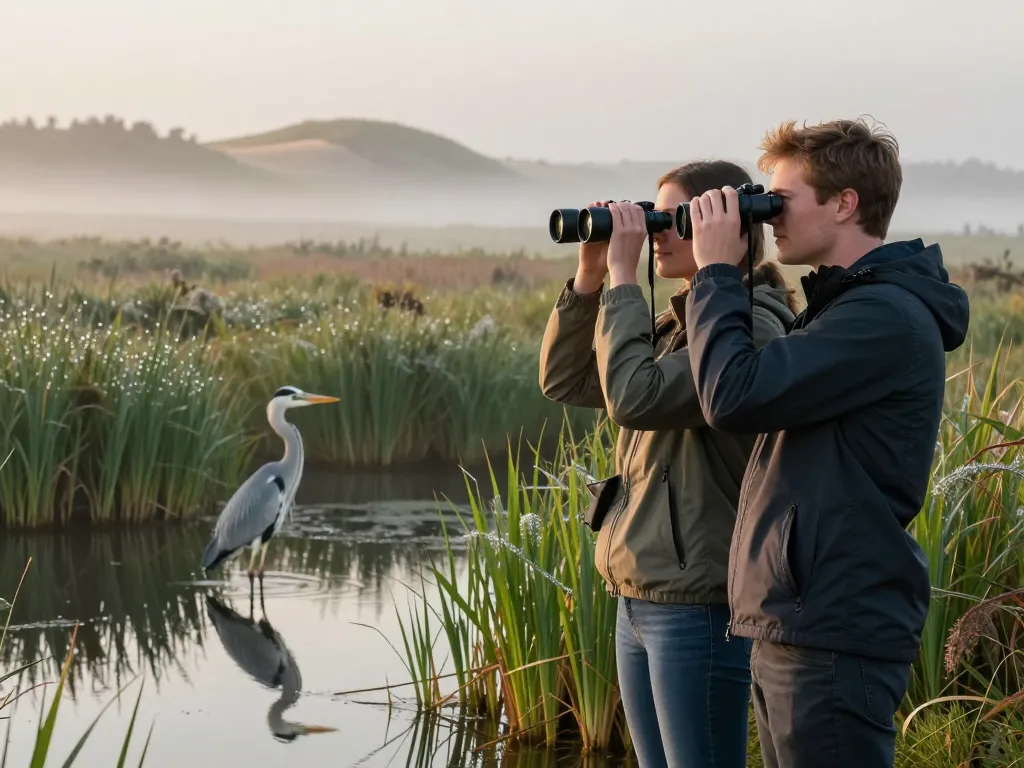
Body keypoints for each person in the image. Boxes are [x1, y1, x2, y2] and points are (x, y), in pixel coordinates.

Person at [681, 119, 970, 767]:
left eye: (781, 200)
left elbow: (733, 395)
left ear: (845, 203)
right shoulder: (848, 308)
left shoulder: (880, 317)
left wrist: (717, 273)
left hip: (830, 624)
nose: (770, 216)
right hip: (803, 617)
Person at [539, 160, 799, 768]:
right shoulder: (677, 323)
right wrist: (590, 275)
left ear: (727, 225)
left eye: (676, 219)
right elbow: (566, 380)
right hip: (640, 593)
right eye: (653, 217)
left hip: (699, 605)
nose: (656, 233)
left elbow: (633, 398)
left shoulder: (749, 326)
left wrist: (625, 277)